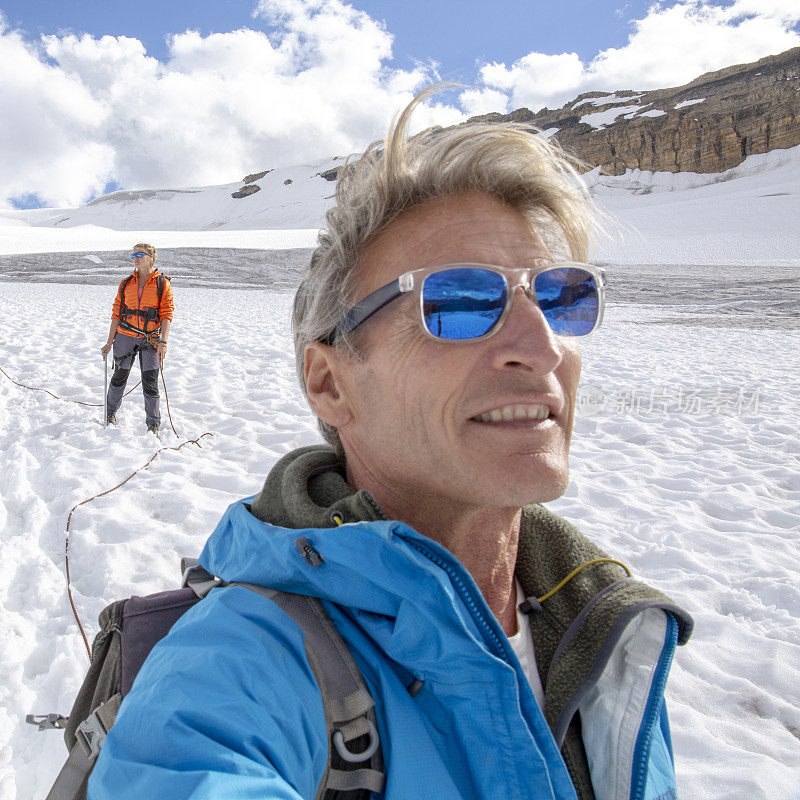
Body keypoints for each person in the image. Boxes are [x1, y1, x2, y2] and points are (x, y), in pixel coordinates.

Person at [90, 94, 692, 799]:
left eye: (560, 297)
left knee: (148, 387)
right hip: (130, 342)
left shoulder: (609, 635)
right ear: (330, 383)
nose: (543, 346)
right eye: (460, 301)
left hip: (149, 340)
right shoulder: (237, 666)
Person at [100, 244, 173, 433]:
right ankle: (109, 413)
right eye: (133, 254)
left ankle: (153, 423)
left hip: (151, 340)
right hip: (125, 337)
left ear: (151, 258)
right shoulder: (126, 283)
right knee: (119, 377)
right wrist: (109, 342)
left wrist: (163, 342)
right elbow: (116, 313)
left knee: (150, 381)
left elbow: (166, 313)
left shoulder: (162, 283)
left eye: (140, 254)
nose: (135, 257)